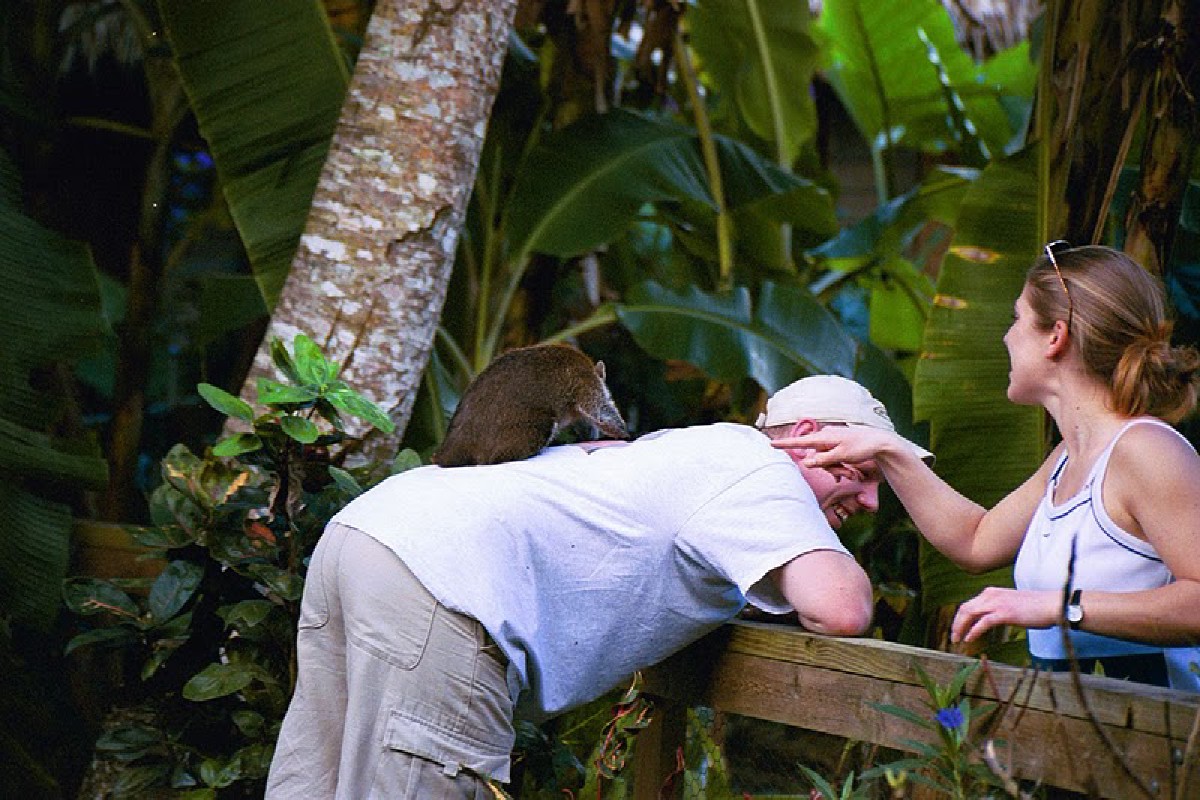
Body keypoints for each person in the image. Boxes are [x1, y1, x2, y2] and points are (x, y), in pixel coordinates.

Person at [265, 375, 930, 798]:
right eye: (862, 471)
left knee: (316, 778)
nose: (873, 502)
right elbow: (840, 608)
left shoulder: (681, 450)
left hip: (371, 532)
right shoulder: (761, 470)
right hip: (443, 581)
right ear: (806, 439)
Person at [777, 243, 1200, 691]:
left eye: (1017, 319)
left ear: (1055, 337)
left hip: (1162, 726)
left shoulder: (1146, 450)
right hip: (1084, 722)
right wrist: (890, 450)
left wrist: (1057, 606)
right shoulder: (1067, 459)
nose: (1006, 337)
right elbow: (975, 542)